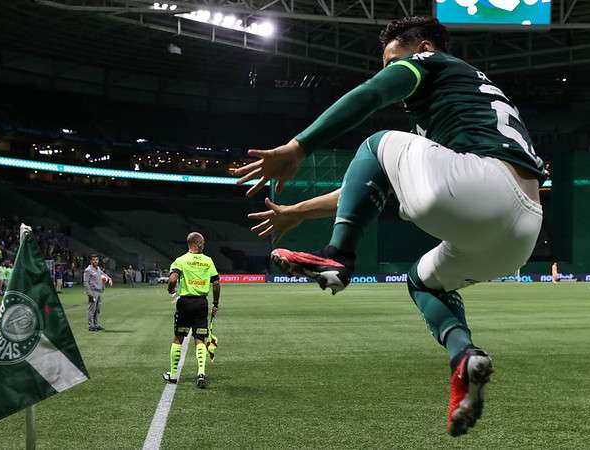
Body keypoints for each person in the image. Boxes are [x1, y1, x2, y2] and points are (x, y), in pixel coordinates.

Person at [235, 16, 545, 437]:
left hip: (483, 185)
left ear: (422, 49)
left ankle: (338, 257)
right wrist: (298, 211)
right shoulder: (461, 102)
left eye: (391, 60)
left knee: (375, 141)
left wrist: (297, 146)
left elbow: (373, 94)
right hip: (521, 226)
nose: (387, 71)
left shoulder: (432, 64)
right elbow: (370, 185)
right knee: (424, 282)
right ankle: (464, 358)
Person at [163, 232, 221, 389]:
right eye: (203, 242)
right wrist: (215, 303)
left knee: (178, 338)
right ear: (198, 243)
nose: (204, 244)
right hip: (201, 303)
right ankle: (201, 372)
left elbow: (173, 279)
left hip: (185, 304)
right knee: (200, 339)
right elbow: (216, 283)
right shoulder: (208, 261)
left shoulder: (180, 260)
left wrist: (170, 289)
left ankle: (173, 375)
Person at [83, 255, 112, 331]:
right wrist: (89, 293)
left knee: (97, 309)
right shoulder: (88, 270)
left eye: (96, 260)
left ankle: (96, 324)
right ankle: (91, 326)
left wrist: (109, 279)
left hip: (99, 292)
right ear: (91, 261)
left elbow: (104, 275)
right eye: (93, 260)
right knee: (92, 309)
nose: (95, 261)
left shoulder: (98, 269)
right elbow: (85, 282)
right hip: (93, 292)